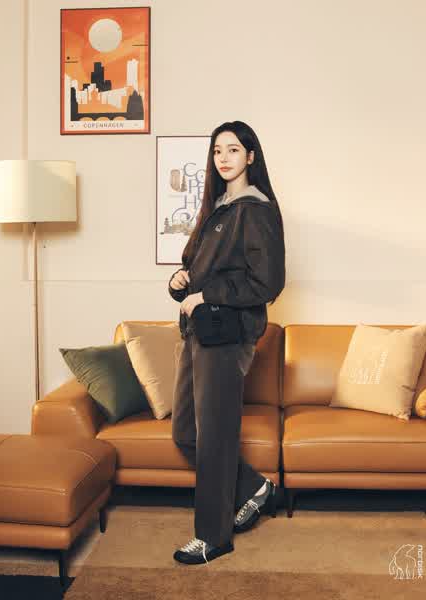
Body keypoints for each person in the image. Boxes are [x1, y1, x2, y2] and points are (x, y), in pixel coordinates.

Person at [168, 120, 286, 565]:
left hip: (227, 336)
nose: (224, 158)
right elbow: (200, 270)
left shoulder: (256, 209)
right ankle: (257, 488)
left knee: (215, 438)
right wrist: (181, 281)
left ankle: (213, 537)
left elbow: (267, 282)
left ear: (250, 156)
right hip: (199, 331)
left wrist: (206, 295)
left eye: (233, 149)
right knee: (186, 431)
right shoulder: (218, 207)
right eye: (218, 150)